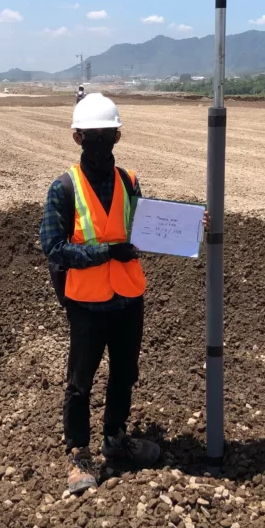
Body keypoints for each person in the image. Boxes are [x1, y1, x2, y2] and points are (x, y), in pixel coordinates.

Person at [39, 93, 159, 495]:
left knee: (125, 373)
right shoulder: (63, 188)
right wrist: (106, 252)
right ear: (77, 139)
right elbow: (54, 247)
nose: (99, 145)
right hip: (87, 303)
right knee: (80, 382)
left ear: (117, 137)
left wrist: (194, 225)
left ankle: (115, 438)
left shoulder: (130, 182)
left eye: (105, 136)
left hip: (127, 298)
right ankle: (78, 454)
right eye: (92, 137)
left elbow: (153, 227)